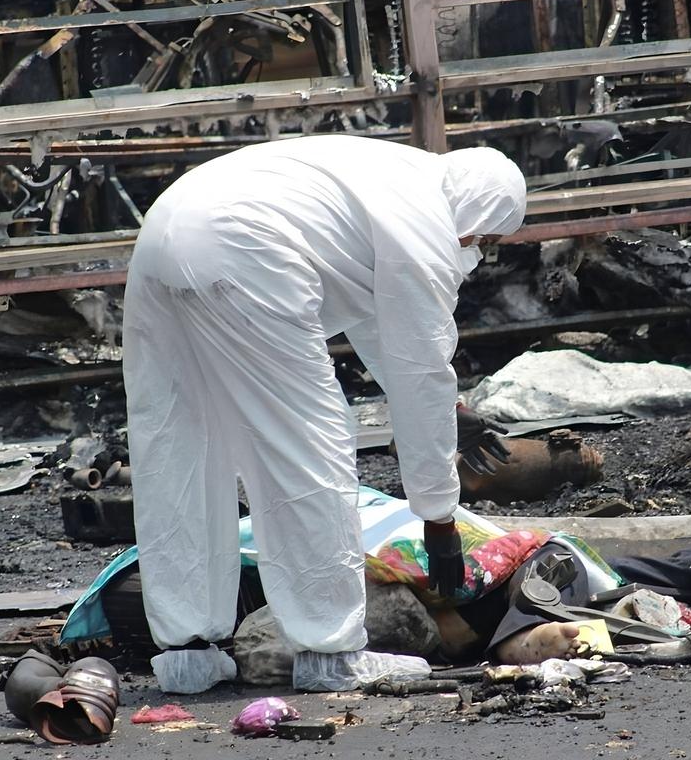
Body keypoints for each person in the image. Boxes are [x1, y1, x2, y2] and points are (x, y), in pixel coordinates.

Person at [122, 135, 527, 693]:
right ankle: (329, 651)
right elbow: (422, 366)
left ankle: (187, 657)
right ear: (478, 208)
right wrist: (439, 518)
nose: (477, 249)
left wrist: (451, 412)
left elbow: (382, 328)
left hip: (164, 230)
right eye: (485, 236)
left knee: (177, 441)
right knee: (306, 444)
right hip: (245, 244)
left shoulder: (390, 180)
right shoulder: (427, 221)